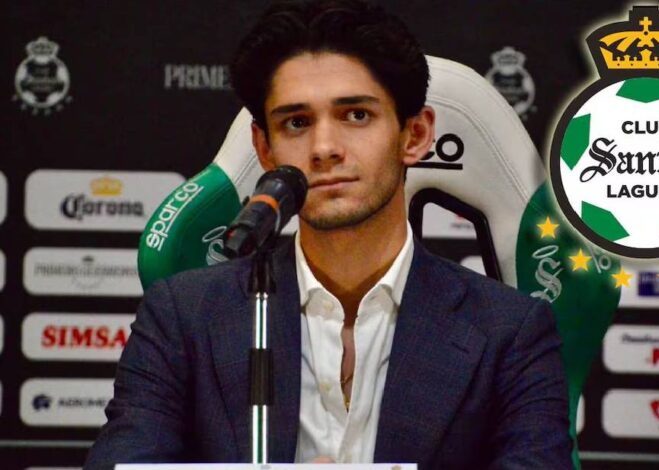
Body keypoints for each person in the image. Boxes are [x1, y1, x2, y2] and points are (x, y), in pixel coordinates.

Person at [85, 0, 573, 468]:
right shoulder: (183, 315)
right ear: (265, 149)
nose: (323, 147)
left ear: (416, 135)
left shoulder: (511, 331)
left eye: (356, 115)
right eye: (296, 122)